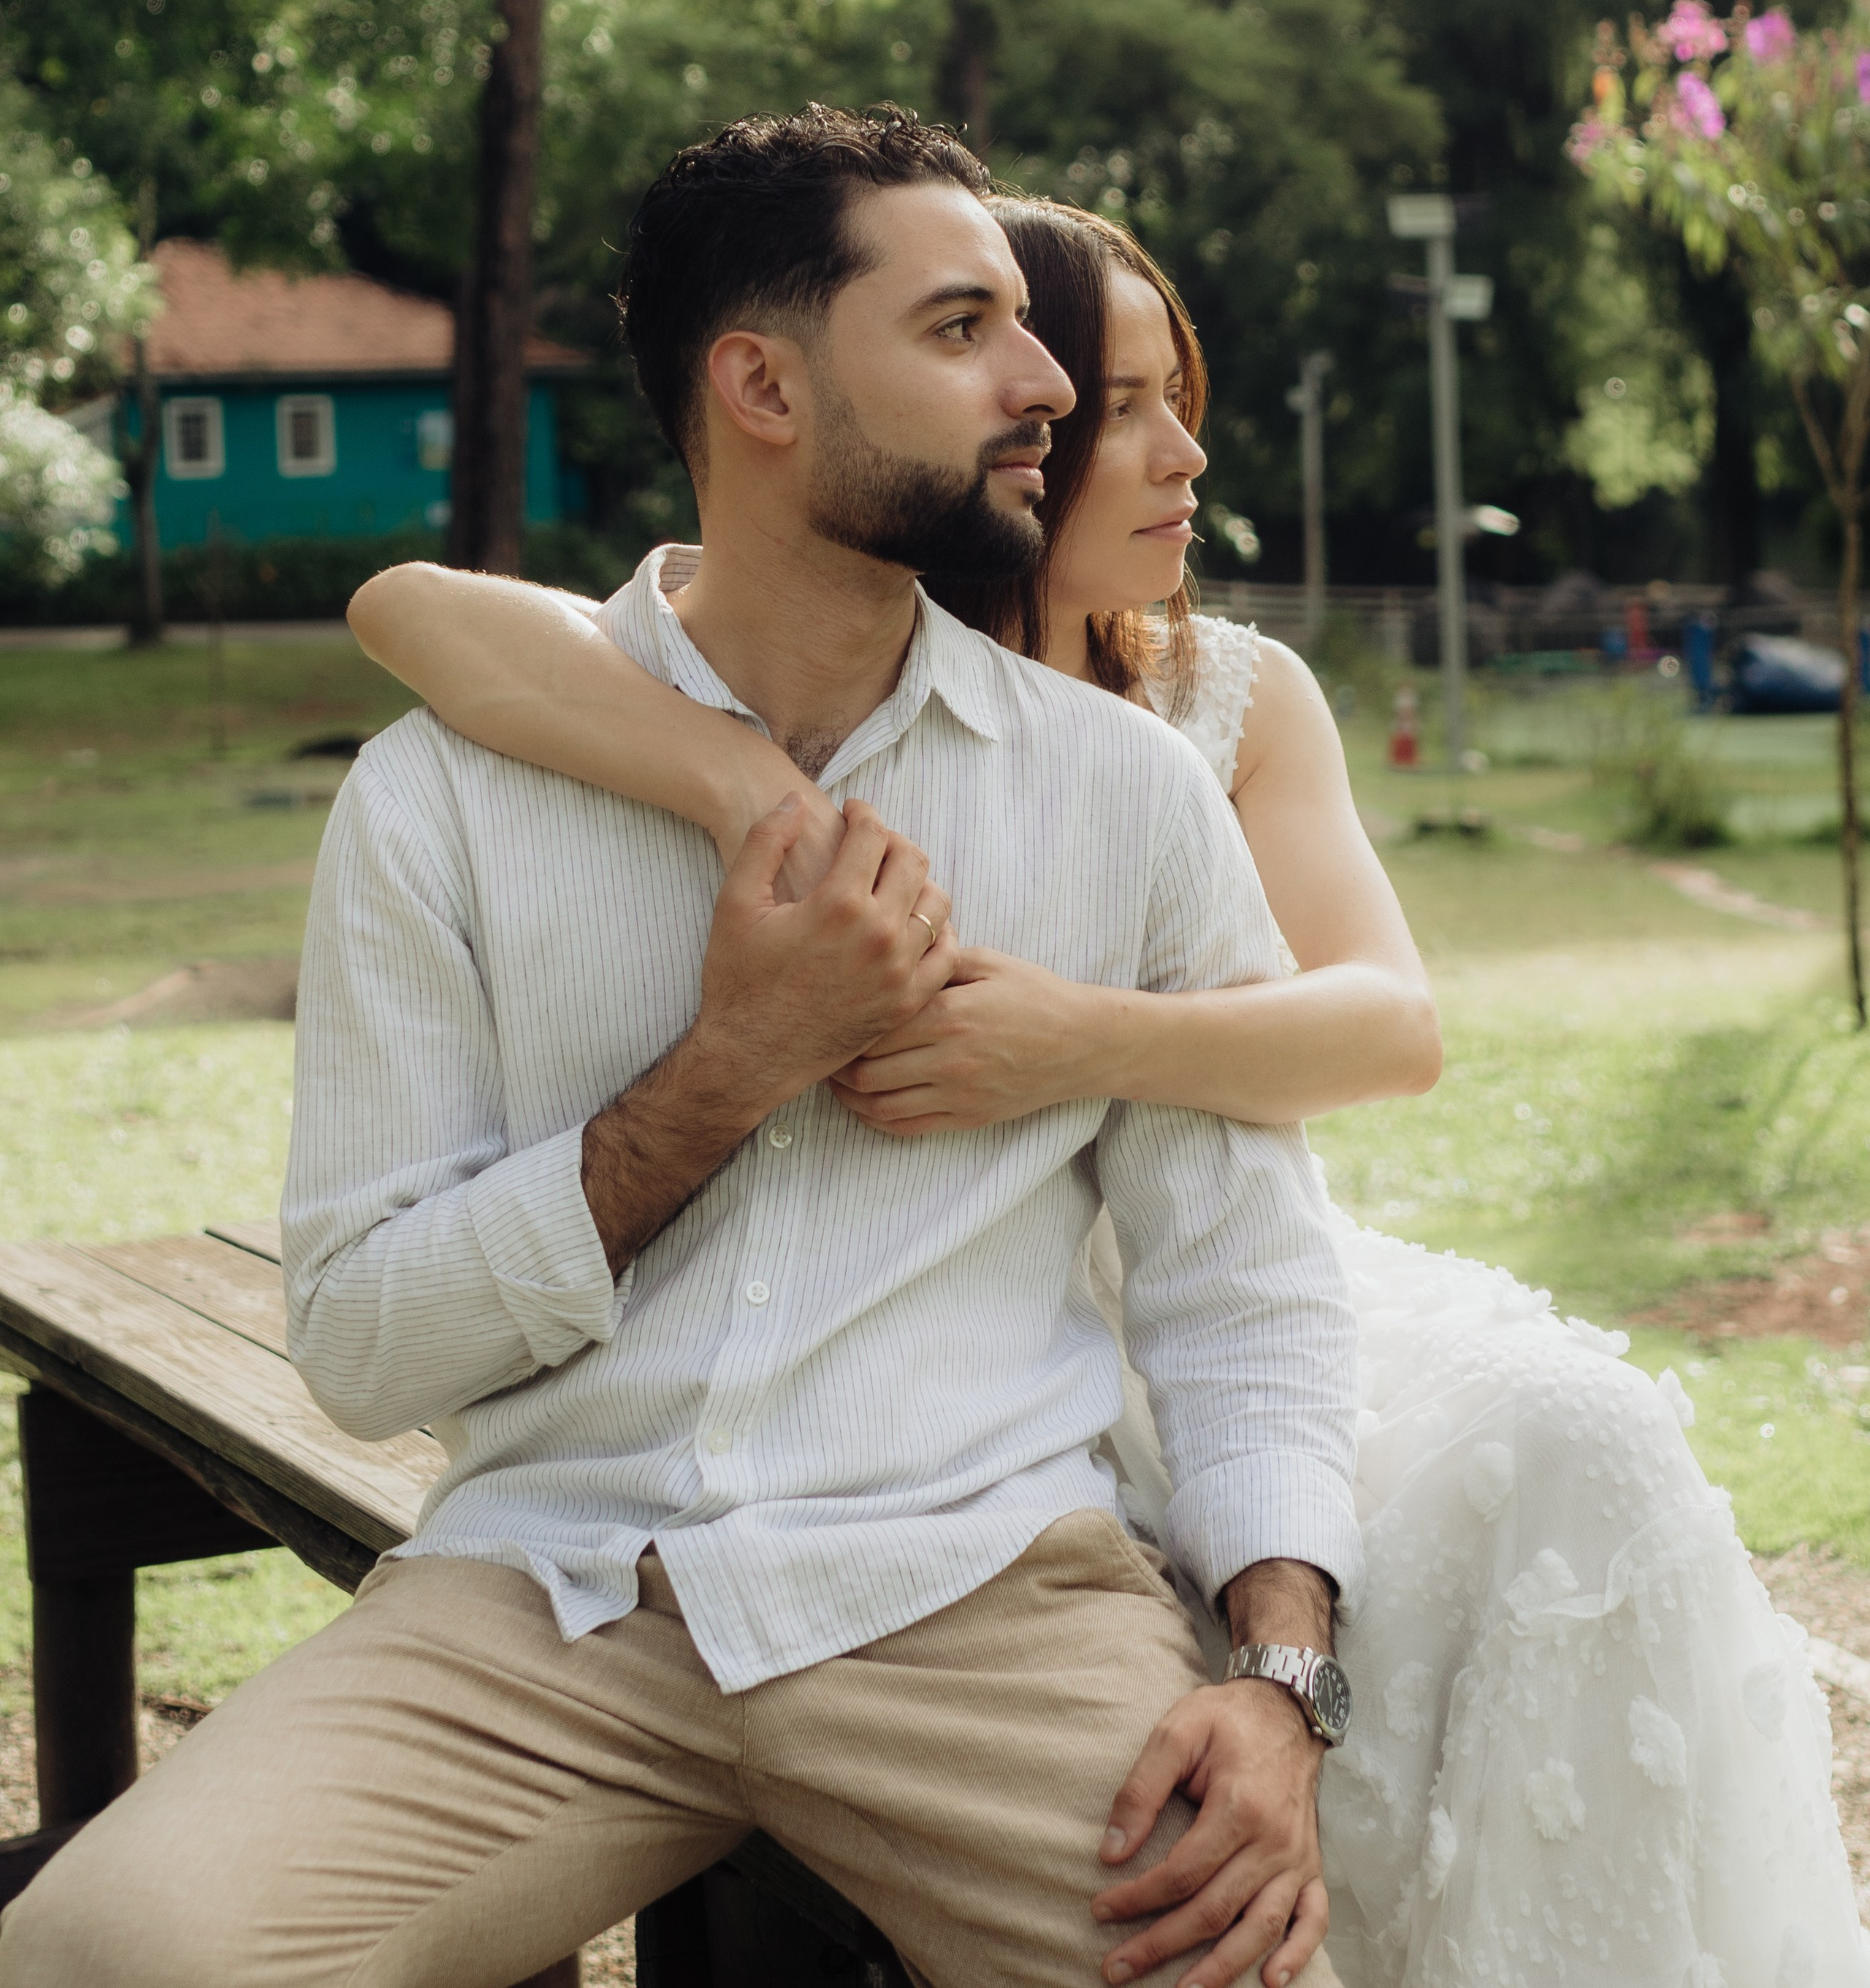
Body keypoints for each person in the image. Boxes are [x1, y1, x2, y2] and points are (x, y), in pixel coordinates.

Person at [349, 189, 1870, 1988]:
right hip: (951, 1340)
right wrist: (732, 778)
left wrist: (1077, 1038)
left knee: (1576, 1438)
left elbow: (1390, 1025)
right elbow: (411, 607)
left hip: (1184, 1231)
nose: (1156, 443)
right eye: (1104, 400)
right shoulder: (838, 667)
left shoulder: (1211, 696)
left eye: (1153, 393)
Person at [0, 106, 1367, 1988]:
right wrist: (725, 1071)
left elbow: (1240, 1287)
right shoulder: (440, 802)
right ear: (762, 387)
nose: (1043, 380)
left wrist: (1279, 1679)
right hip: (550, 1598)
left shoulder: (1120, 796)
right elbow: (366, 1346)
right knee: (108, 1954)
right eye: (964, 329)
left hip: (979, 1594)